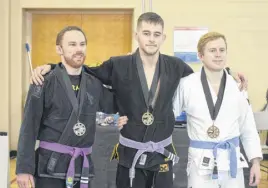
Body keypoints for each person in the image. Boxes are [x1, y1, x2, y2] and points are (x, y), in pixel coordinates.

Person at [30, 13, 247, 188]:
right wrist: (51, 66)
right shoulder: (119, 64)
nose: (151, 38)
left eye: (156, 34)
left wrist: (229, 71)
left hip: (162, 154)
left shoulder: (175, 66)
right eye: (146, 33)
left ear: (163, 38)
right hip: (129, 154)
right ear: (137, 35)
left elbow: (202, 79)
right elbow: (85, 69)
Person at [16, 26, 120, 188]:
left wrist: (128, 72)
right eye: (72, 44)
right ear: (59, 49)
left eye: (82, 44)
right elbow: (29, 127)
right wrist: (23, 168)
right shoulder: (43, 82)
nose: (78, 49)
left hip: (82, 168)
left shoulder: (94, 84)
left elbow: (116, 104)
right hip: (49, 169)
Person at [172, 32, 262, 188]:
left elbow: (248, 127)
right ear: (200, 55)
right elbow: (168, 116)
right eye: (212, 50)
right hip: (200, 164)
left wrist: (255, 162)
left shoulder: (237, 86)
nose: (218, 55)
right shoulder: (186, 85)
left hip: (232, 163)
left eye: (222, 50)